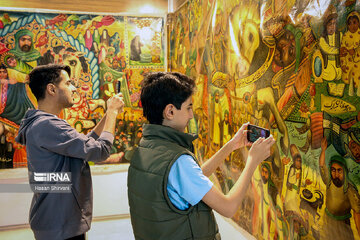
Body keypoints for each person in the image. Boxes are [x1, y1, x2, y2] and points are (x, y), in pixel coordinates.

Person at [127, 72, 275, 240]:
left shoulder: (146, 147)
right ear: (170, 111)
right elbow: (228, 207)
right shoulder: (178, 161)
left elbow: (191, 180)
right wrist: (252, 161)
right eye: (188, 107)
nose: (191, 115)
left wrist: (231, 146)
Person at [15, 64, 124, 240]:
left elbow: (86, 144)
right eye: (68, 83)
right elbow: (100, 151)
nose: (74, 88)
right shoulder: (47, 125)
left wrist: (109, 115)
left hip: (55, 220)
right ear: (51, 89)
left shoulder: (42, 123)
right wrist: (111, 112)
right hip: (60, 224)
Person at [319, 138, 360, 239]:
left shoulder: (349, 189)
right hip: (328, 222)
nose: (336, 174)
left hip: (342, 226)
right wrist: (323, 150)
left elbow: (357, 213)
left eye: (339, 171)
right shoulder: (329, 180)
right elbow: (321, 165)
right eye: (333, 170)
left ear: (344, 171)